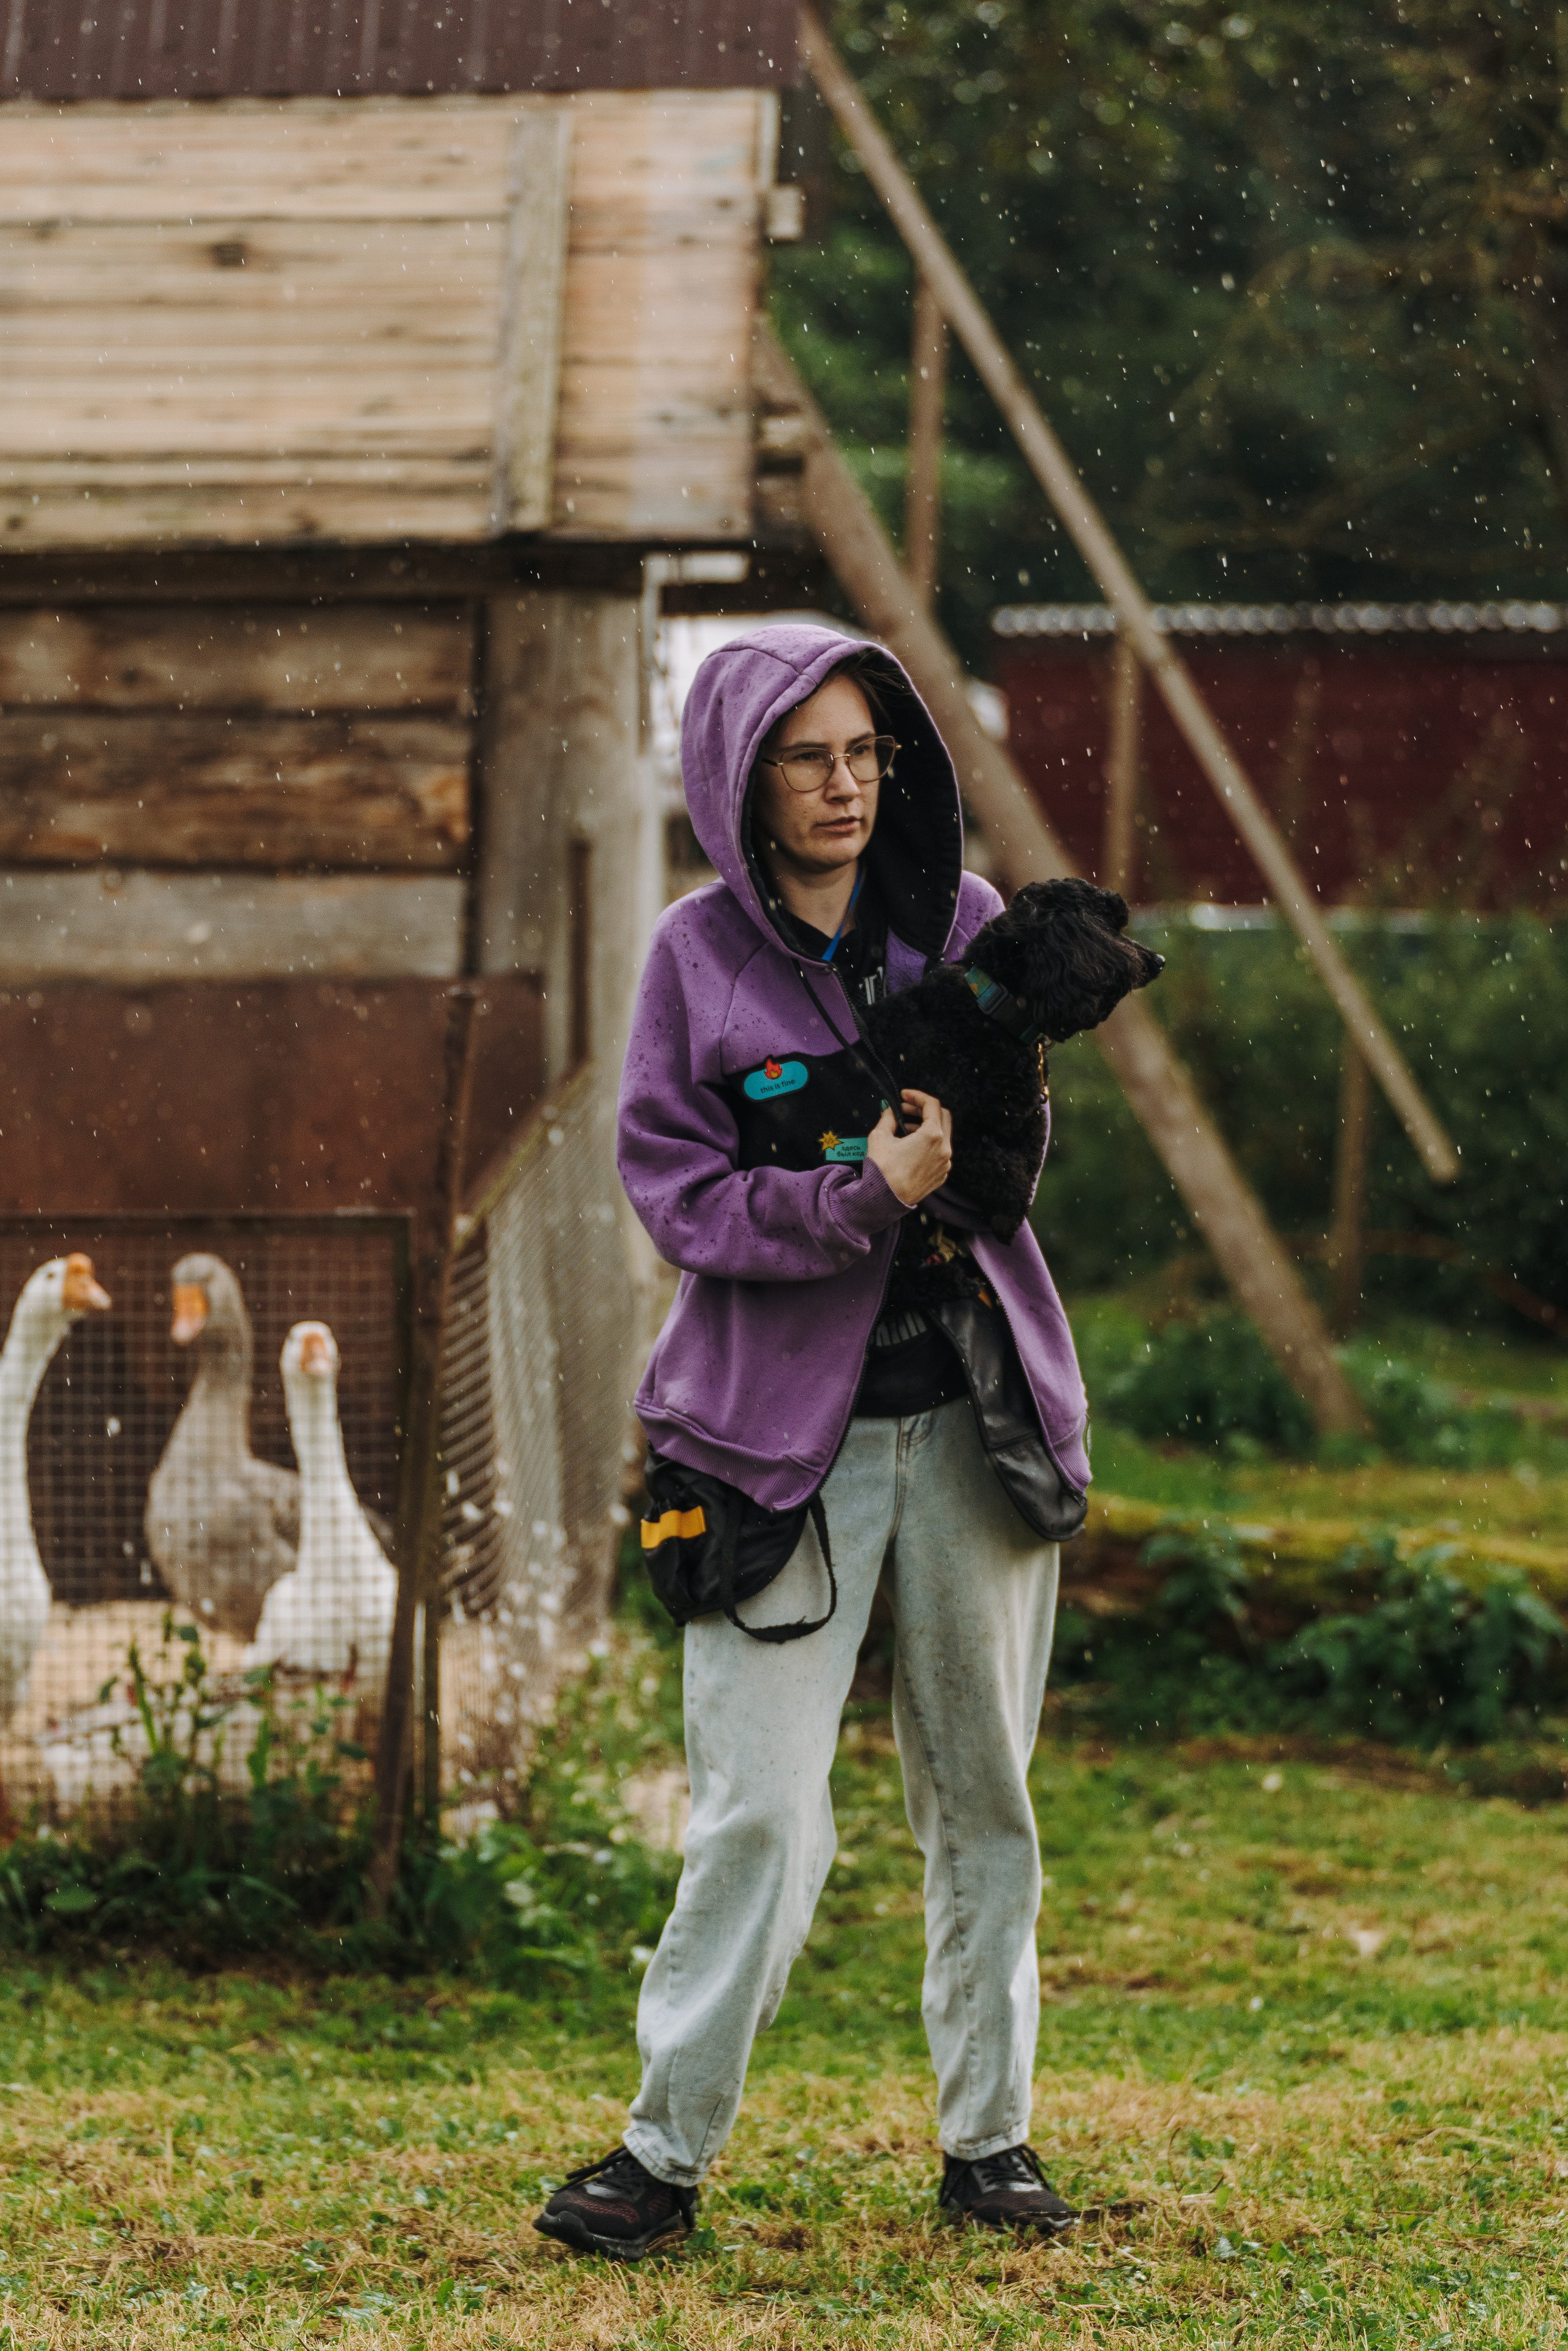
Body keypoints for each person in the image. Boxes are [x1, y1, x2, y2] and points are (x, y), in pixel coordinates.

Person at [535, 624, 1091, 2260]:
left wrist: (996, 1108)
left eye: (864, 753)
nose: (844, 784)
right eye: (806, 756)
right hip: (778, 1450)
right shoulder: (692, 961)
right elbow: (678, 1196)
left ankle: (991, 2144)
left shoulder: (965, 926)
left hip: (973, 1425)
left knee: (985, 1803)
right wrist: (858, 1188)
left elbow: (1009, 1172)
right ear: (739, 776)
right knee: (761, 1816)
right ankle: (662, 2153)